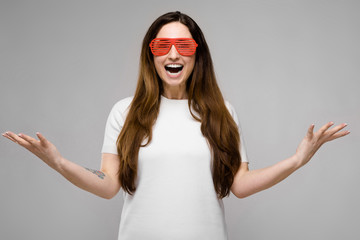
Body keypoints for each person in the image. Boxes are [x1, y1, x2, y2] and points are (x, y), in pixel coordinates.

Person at [2, 11, 349, 240]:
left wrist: (296, 160)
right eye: (161, 45)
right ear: (150, 54)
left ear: (197, 54)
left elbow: (239, 185)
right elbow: (109, 185)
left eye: (183, 45)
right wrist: (59, 163)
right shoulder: (125, 112)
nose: (173, 54)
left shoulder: (221, 112)